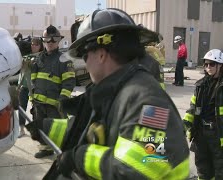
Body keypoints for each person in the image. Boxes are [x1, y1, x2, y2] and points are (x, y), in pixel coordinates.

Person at [35, 8, 189, 179]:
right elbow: (89, 129)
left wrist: (79, 157)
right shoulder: (113, 91)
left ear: (101, 54)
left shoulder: (148, 101)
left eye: (85, 57)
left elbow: (137, 169)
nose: (85, 65)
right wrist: (45, 127)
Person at [29, 25, 76, 158]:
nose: (50, 42)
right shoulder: (39, 58)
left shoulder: (64, 60)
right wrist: (32, 93)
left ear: (58, 40)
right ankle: (45, 148)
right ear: (43, 40)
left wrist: (62, 99)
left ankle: (67, 150)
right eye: (47, 39)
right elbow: (33, 77)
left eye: (53, 39)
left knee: (58, 128)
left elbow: (69, 82)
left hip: (54, 104)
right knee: (41, 127)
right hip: (38, 102)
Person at [183, 49, 223, 180]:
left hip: (218, 135)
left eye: (212, 64)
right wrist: (184, 126)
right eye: (206, 64)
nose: (208, 67)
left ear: (220, 65)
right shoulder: (201, 85)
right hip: (201, 133)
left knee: (219, 170)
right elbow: (192, 109)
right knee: (202, 169)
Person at [17, 37, 44, 138]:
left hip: (35, 86)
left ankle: (35, 129)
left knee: (36, 109)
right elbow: (20, 70)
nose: (33, 46)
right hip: (23, 85)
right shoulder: (26, 55)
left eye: (36, 44)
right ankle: (22, 129)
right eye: (32, 44)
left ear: (40, 46)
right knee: (21, 108)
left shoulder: (42, 56)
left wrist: (35, 63)